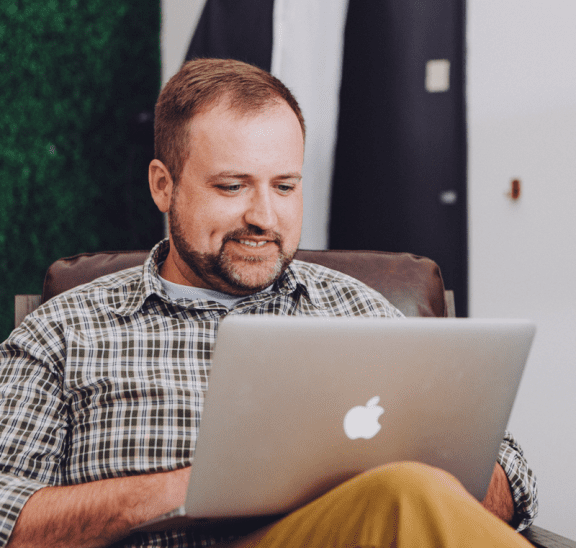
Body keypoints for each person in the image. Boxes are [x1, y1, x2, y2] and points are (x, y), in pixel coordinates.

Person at [0, 58, 537, 548]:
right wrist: (200, 486)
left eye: (284, 186)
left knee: (406, 490)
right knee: (406, 493)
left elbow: (514, 479)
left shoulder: (357, 311)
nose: (264, 216)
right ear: (164, 186)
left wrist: (393, 466)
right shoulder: (64, 332)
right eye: (233, 187)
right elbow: (6, 516)